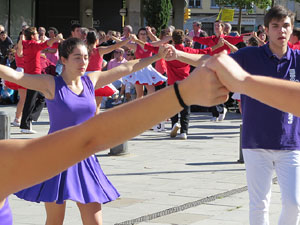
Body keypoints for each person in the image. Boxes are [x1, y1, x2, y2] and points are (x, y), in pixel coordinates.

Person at [0, 43, 228, 225]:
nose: (83, 62)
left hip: (85, 157)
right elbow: (16, 77)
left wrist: (156, 58)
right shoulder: (51, 83)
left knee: (94, 219)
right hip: (55, 156)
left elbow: (127, 67)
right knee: (55, 221)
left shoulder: (91, 80)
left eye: (86, 57)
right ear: (63, 60)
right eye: (77, 57)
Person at [213, 5, 300, 225]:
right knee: (259, 203)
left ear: (292, 30)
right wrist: (178, 53)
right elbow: (212, 63)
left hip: (291, 143)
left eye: (285, 26)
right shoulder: (249, 56)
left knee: (294, 203)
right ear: (266, 30)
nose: (281, 30)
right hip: (256, 143)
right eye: (276, 26)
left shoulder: (298, 59)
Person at [137, 29, 223, 139]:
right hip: (186, 82)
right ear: (183, 39)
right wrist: (218, 45)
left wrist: (137, 41)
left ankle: (174, 124)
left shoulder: (168, 51)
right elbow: (206, 51)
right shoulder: (187, 50)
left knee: (173, 105)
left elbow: (149, 47)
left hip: (172, 82)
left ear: (172, 39)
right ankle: (184, 131)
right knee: (185, 107)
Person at [20, 27, 62, 134]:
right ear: (33, 36)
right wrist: (57, 38)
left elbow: (45, 44)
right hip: (34, 76)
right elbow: (46, 44)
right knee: (31, 100)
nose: (38, 34)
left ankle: (29, 120)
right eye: (36, 33)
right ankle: (25, 125)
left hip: (31, 75)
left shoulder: (26, 43)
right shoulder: (32, 45)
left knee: (41, 97)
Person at [124, 27, 167, 98]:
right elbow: (123, 44)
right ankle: (139, 108)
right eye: (141, 34)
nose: (143, 35)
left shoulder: (150, 44)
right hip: (138, 69)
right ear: (138, 35)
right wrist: (114, 38)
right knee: (139, 94)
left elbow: (158, 42)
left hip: (148, 69)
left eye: (144, 34)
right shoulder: (135, 45)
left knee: (151, 91)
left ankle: (147, 106)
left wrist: (150, 33)